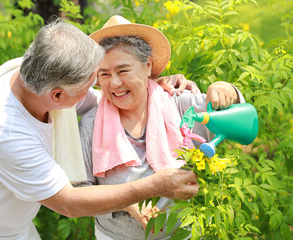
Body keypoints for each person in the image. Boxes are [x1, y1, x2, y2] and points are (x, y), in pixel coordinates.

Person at [0, 18, 200, 239]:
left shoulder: (39, 73)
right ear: (58, 98)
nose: (97, 90)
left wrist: (151, 87)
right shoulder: (2, 129)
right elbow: (69, 202)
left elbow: (105, 98)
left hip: (12, 226)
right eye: (91, 84)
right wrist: (153, 186)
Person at [78, 15, 245, 240]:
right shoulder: (91, 122)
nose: (114, 83)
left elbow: (240, 121)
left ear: (147, 66)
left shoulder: (180, 105)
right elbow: (79, 193)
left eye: (123, 70)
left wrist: (228, 90)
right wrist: (127, 203)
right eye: (104, 74)